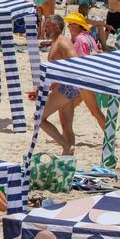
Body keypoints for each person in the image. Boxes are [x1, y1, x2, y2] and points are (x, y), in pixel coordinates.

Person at [28, 15, 77, 154]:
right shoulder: (56, 42)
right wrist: (41, 88)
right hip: (67, 87)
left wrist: (58, 81)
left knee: (39, 118)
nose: (44, 28)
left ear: (56, 27)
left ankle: (65, 146)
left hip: (67, 87)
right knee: (66, 126)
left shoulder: (63, 42)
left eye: (47, 26)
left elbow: (75, 62)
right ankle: (68, 159)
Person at [63, 12, 106, 131]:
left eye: (71, 24)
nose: (68, 27)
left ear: (78, 25)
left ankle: (110, 137)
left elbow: (80, 63)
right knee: (67, 107)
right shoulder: (89, 37)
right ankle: (65, 135)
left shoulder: (79, 40)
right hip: (90, 78)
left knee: (96, 112)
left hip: (84, 81)